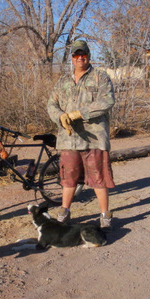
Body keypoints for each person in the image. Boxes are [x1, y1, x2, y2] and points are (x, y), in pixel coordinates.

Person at [47, 39, 115, 228]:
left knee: (98, 178)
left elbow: (107, 101)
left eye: (83, 54)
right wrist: (60, 117)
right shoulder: (63, 81)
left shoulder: (100, 77)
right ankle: (64, 212)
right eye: (76, 54)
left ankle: (105, 215)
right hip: (69, 139)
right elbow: (51, 103)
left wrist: (81, 113)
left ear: (88, 56)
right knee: (68, 178)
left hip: (94, 138)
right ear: (72, 58)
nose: (80, 57)